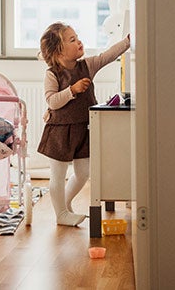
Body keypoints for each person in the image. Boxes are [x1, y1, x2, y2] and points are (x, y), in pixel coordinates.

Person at [37, 22, 130, 226]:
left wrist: (128, 42)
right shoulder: (52, 74)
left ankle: (66, 203)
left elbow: (107, 56)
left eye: (77, 37)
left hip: (84, 129)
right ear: (58, 51)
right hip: (60, 131)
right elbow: (52, 101)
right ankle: (60, 214)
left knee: (83, 173)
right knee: (58, 174)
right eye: (72, 40)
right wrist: (73, 90)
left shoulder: (87, 65)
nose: (79, 41)